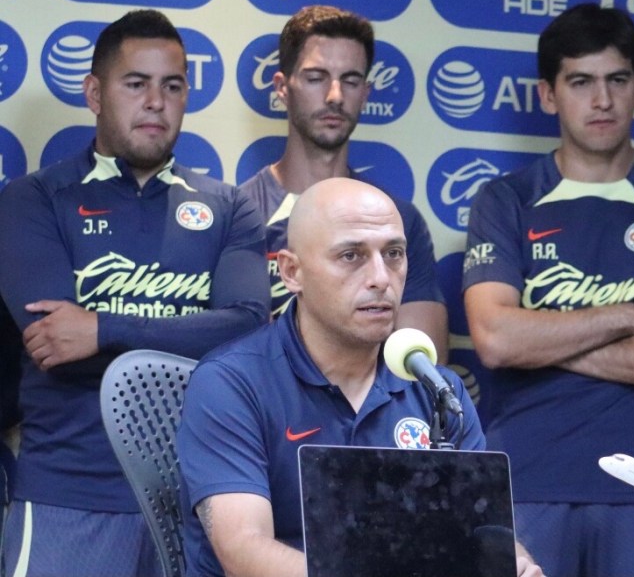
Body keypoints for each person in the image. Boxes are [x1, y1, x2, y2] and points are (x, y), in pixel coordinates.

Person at [0, 9, 270, 576]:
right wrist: (196, 341)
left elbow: (248, 331)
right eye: (135, 84)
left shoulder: (229, 207)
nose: (155, 102)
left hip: (200, 500)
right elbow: (55, 348)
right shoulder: (33, 200)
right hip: (71, 495)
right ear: (95, 93)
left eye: (172, 86)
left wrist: (103, 329)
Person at [462, 3, 634, 576]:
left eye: (617, 80)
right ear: (548, 95)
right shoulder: (506, 201)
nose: (601, 100)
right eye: (581, 82)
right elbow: (497, 341)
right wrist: (629, 315)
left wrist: (542, 341)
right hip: (525, 478)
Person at [177, 178, 542, 577]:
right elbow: (244, 551)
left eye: (394, 254)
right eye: (351, 256)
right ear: (292, 272)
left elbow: (485, 531)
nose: (381, 278)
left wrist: (514, 563)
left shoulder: (437, 389)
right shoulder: (231, 383)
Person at [240, 5, 448, 361]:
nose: (335, 95)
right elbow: (231, 351)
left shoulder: (397, 220)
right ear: (282, 87)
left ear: (365, 93)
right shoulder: (240, 213)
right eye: (316, 78)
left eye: (350, 81)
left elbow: (425, 365)